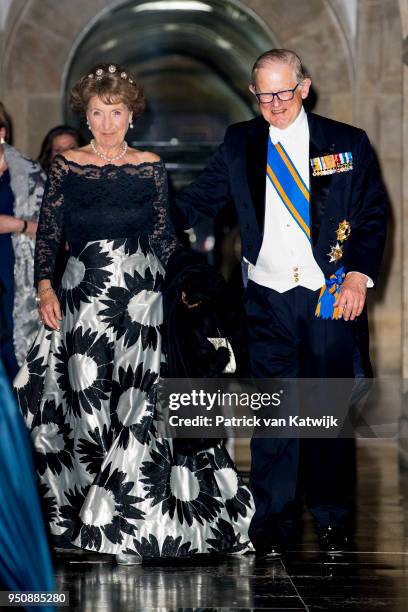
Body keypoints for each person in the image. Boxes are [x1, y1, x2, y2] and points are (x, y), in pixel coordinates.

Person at [14, 63, 253, 565]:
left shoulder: (149, 166)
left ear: (131, 115)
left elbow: (166, 238)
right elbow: (50, 235)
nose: (106, 122)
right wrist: (44, 288)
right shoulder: (68, 166)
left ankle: (130, 517)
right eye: (97, 113)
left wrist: (189, 286)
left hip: (142, 303)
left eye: (115, 112)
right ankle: (82, 505)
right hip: (83, 300)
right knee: (87, 404)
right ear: (86, 115)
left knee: (140, 403)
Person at [174, 49, 387, 556]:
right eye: (264, 93)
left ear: (304, 86)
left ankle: (333, 519)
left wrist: (357, 276)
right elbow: (198, 200)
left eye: (284, 92)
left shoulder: (346, 142)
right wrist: (136, 209)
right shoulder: (239, 142)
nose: (274, 103)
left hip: (326, 297)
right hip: (265, 299)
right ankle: (272, 524)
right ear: (254, 93)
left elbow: (372, 213)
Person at [0, 101, 45, 382]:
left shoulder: (29, 174)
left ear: (1, 131)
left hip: (14, 272)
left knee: (15, 356)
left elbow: (52, 233)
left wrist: (18, 224)